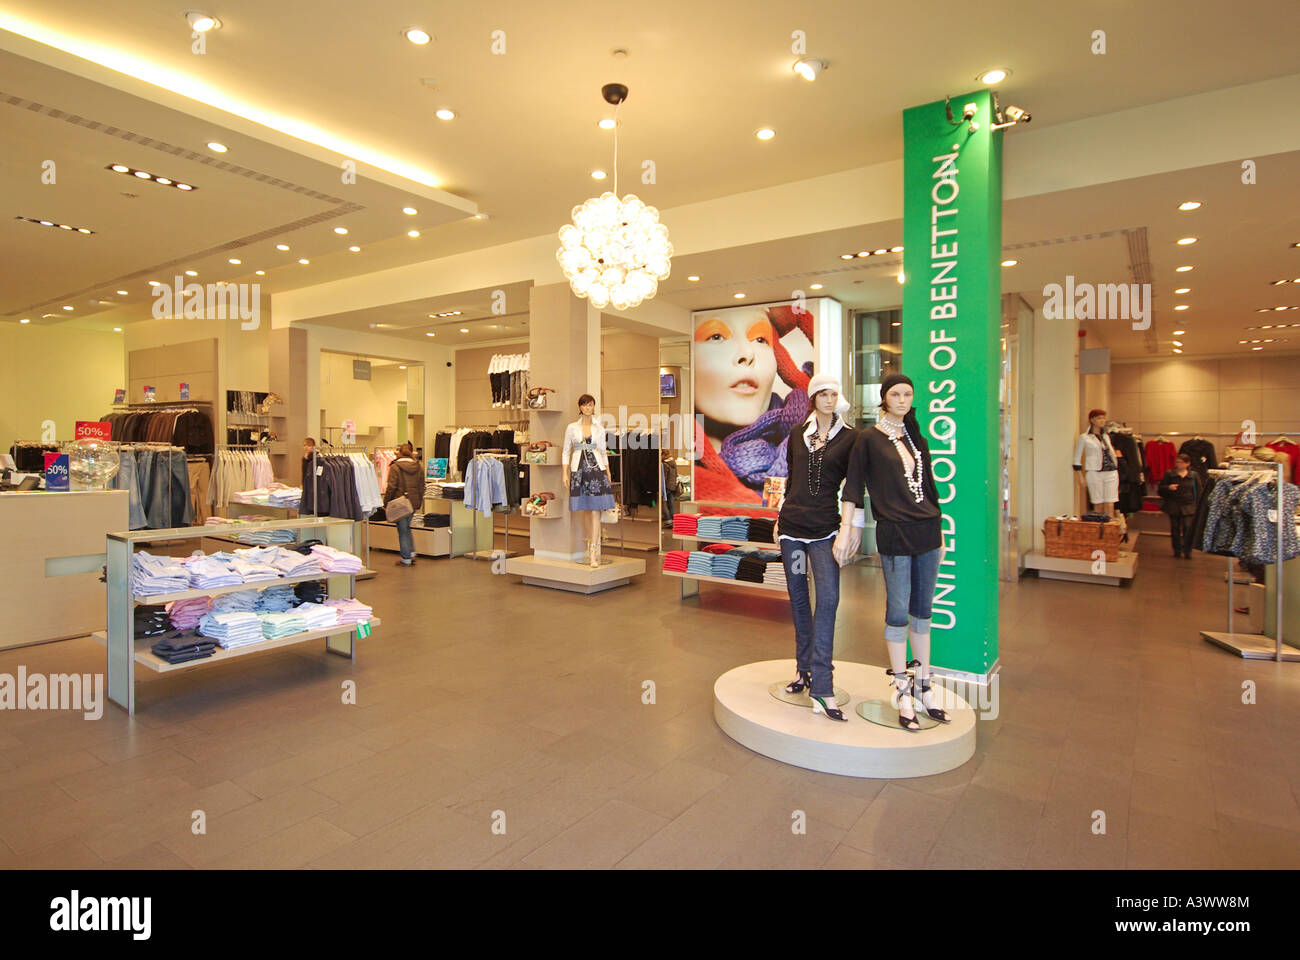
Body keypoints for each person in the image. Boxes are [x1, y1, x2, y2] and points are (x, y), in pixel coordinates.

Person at [843, 373, 950, 732]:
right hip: (895, 534)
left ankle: (924, 686)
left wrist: (942, 532)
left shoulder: (916, 437)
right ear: (883, 399)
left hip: (928, 532)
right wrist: (850, 528)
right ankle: (901, 687)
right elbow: (854, 486)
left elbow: (930, 486)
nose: (903, 400)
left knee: (923, 612)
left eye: (908, 393)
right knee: (898, 611)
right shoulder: (868, 439)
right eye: (895, 394)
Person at [771, 374, 861, 722]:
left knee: (828, 600)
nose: (827, 398)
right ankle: (803, 670)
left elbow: (854, 486)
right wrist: (779, 518)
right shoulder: (797, 434)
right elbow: (791, 478)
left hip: (825, 531)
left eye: (832, 393)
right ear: (812, 398)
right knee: (798, 600)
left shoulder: (850, 439)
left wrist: (849, 528)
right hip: (792, 531)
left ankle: (823, 685)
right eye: (821, 393)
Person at [691, 304, 815, 503]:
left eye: (760, 339)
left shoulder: (807, 439)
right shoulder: (686, 467)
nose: (747, 354)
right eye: (716, 336)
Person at [563, 394, 615, 567]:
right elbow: (566, 451)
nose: (587, 408)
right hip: (578, 470)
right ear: (580, 407)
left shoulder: (599, 428)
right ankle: (588, 548)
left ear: (594, 407)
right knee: (585, 509)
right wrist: (564, 473)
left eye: (590, 405)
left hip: (597, 471)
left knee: (595, 510)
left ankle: (593, 553)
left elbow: (602, 450)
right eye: (584, 405)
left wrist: (607, 471)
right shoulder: (571, 428)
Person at [383, 442, 426, 566]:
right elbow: (422, 486)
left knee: (402, 530)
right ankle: (411, 553)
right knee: (407, 528)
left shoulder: (395, 467)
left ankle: (406, 558)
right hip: (413, 502)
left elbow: (391, 487)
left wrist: (386, 502)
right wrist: (418, 500)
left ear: (400, 453)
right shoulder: (419, 466)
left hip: (400, 502)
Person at [1072, 409, 1120, 518]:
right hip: (1094, 472)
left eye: (1103, 418)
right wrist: (1080, 477)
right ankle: (1099, 529)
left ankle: (1109, 529)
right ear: (1092, 420)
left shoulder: (1106, 436)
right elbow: (1076, 459)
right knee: (1098, 502)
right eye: (1099, 418)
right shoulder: (1084, 437)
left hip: (1111, 471)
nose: (1102, 420)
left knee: (1110, 502)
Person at [1158, 453, 1200, 558]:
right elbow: (1160, 489)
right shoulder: (1169, 474)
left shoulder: (1193, 476)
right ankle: (1177, 550)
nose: (1178, 464)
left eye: (1181, 462)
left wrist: (1198, 505)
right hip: (1173, 504)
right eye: (1177, 462)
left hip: (1189, 505)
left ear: (1187, 463)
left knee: (1187, 527)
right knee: (1175, 528)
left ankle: (1187, 550)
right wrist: (1168, 487)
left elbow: (1199, 491)